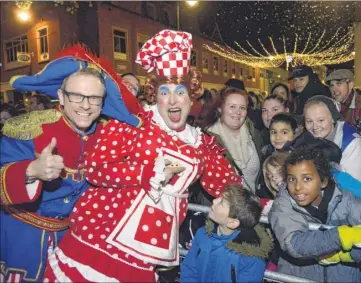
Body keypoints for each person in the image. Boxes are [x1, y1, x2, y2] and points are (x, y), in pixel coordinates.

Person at [42, 29, 242, 283]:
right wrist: (143, 173)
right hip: (102, 237)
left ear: (191, 97)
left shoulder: (201, 142)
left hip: (151, 248)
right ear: (154, 96)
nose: (172, 99)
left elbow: (224, 183)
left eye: (180, 91)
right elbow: (95, 168)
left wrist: (266, 202)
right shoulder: (134, 123)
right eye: (164, 92)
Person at [0, 44, 137, 282]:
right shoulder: (29, 128)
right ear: (61, 97)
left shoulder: (108, 136)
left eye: (94, 98)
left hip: (73, 243)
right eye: (77, 96)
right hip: (19, 240)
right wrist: (31, 171)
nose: (85, 105)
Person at [268, 146, 361, 282]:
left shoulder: (344, 200)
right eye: (292, 179)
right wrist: (342, 235)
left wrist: (347, 255)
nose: (297, 187)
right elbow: (294, 243)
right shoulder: (283, 203)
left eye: (306, 179)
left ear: (323, 181)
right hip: (300, 277)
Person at [180, 184, 271, 283]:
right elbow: (189, 270)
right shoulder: (202, 234)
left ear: (232, 223)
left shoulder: (251, 257)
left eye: (221, 203)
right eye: (219, 197)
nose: (214, 201)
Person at [205, 86, 263, 194]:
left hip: (250, 206)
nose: (238, 112)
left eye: (242, 108)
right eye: (232, 106)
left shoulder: (254, 135)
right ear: (220, 109)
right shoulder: (207, 140)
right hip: (221, 206)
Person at [304, 95, 361, 183]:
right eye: (309, 121)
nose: (314, 127)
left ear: (333, 118)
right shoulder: (308, 140)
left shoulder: (352, 144)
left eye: (321, 120)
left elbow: (353, 188)